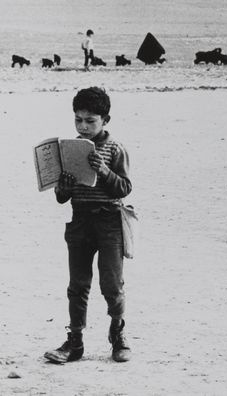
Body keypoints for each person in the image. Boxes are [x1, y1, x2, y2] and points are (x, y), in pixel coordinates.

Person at [44, 87, 133, 363]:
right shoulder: (69, 150)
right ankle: (75, 341)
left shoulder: (115, 148)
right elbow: (61, 197)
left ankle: (117, 334)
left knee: (111, 284)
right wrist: (64, 186)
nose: (83, 126)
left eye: (90, 120)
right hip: (80, 221)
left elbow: (125, 188)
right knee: (78, 284)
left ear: (105, 120)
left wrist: (104, 171)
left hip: (109, 222)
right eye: (78, 120)